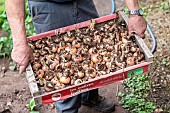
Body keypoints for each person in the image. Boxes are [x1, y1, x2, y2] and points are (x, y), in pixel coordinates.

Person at [6, 0, 147, 113]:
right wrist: (19, 43)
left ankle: (89, 98)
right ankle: (68, 109)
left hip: (82, 2)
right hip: (48, 6)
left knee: (92, 49)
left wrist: (135, 13)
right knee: (62, 72)